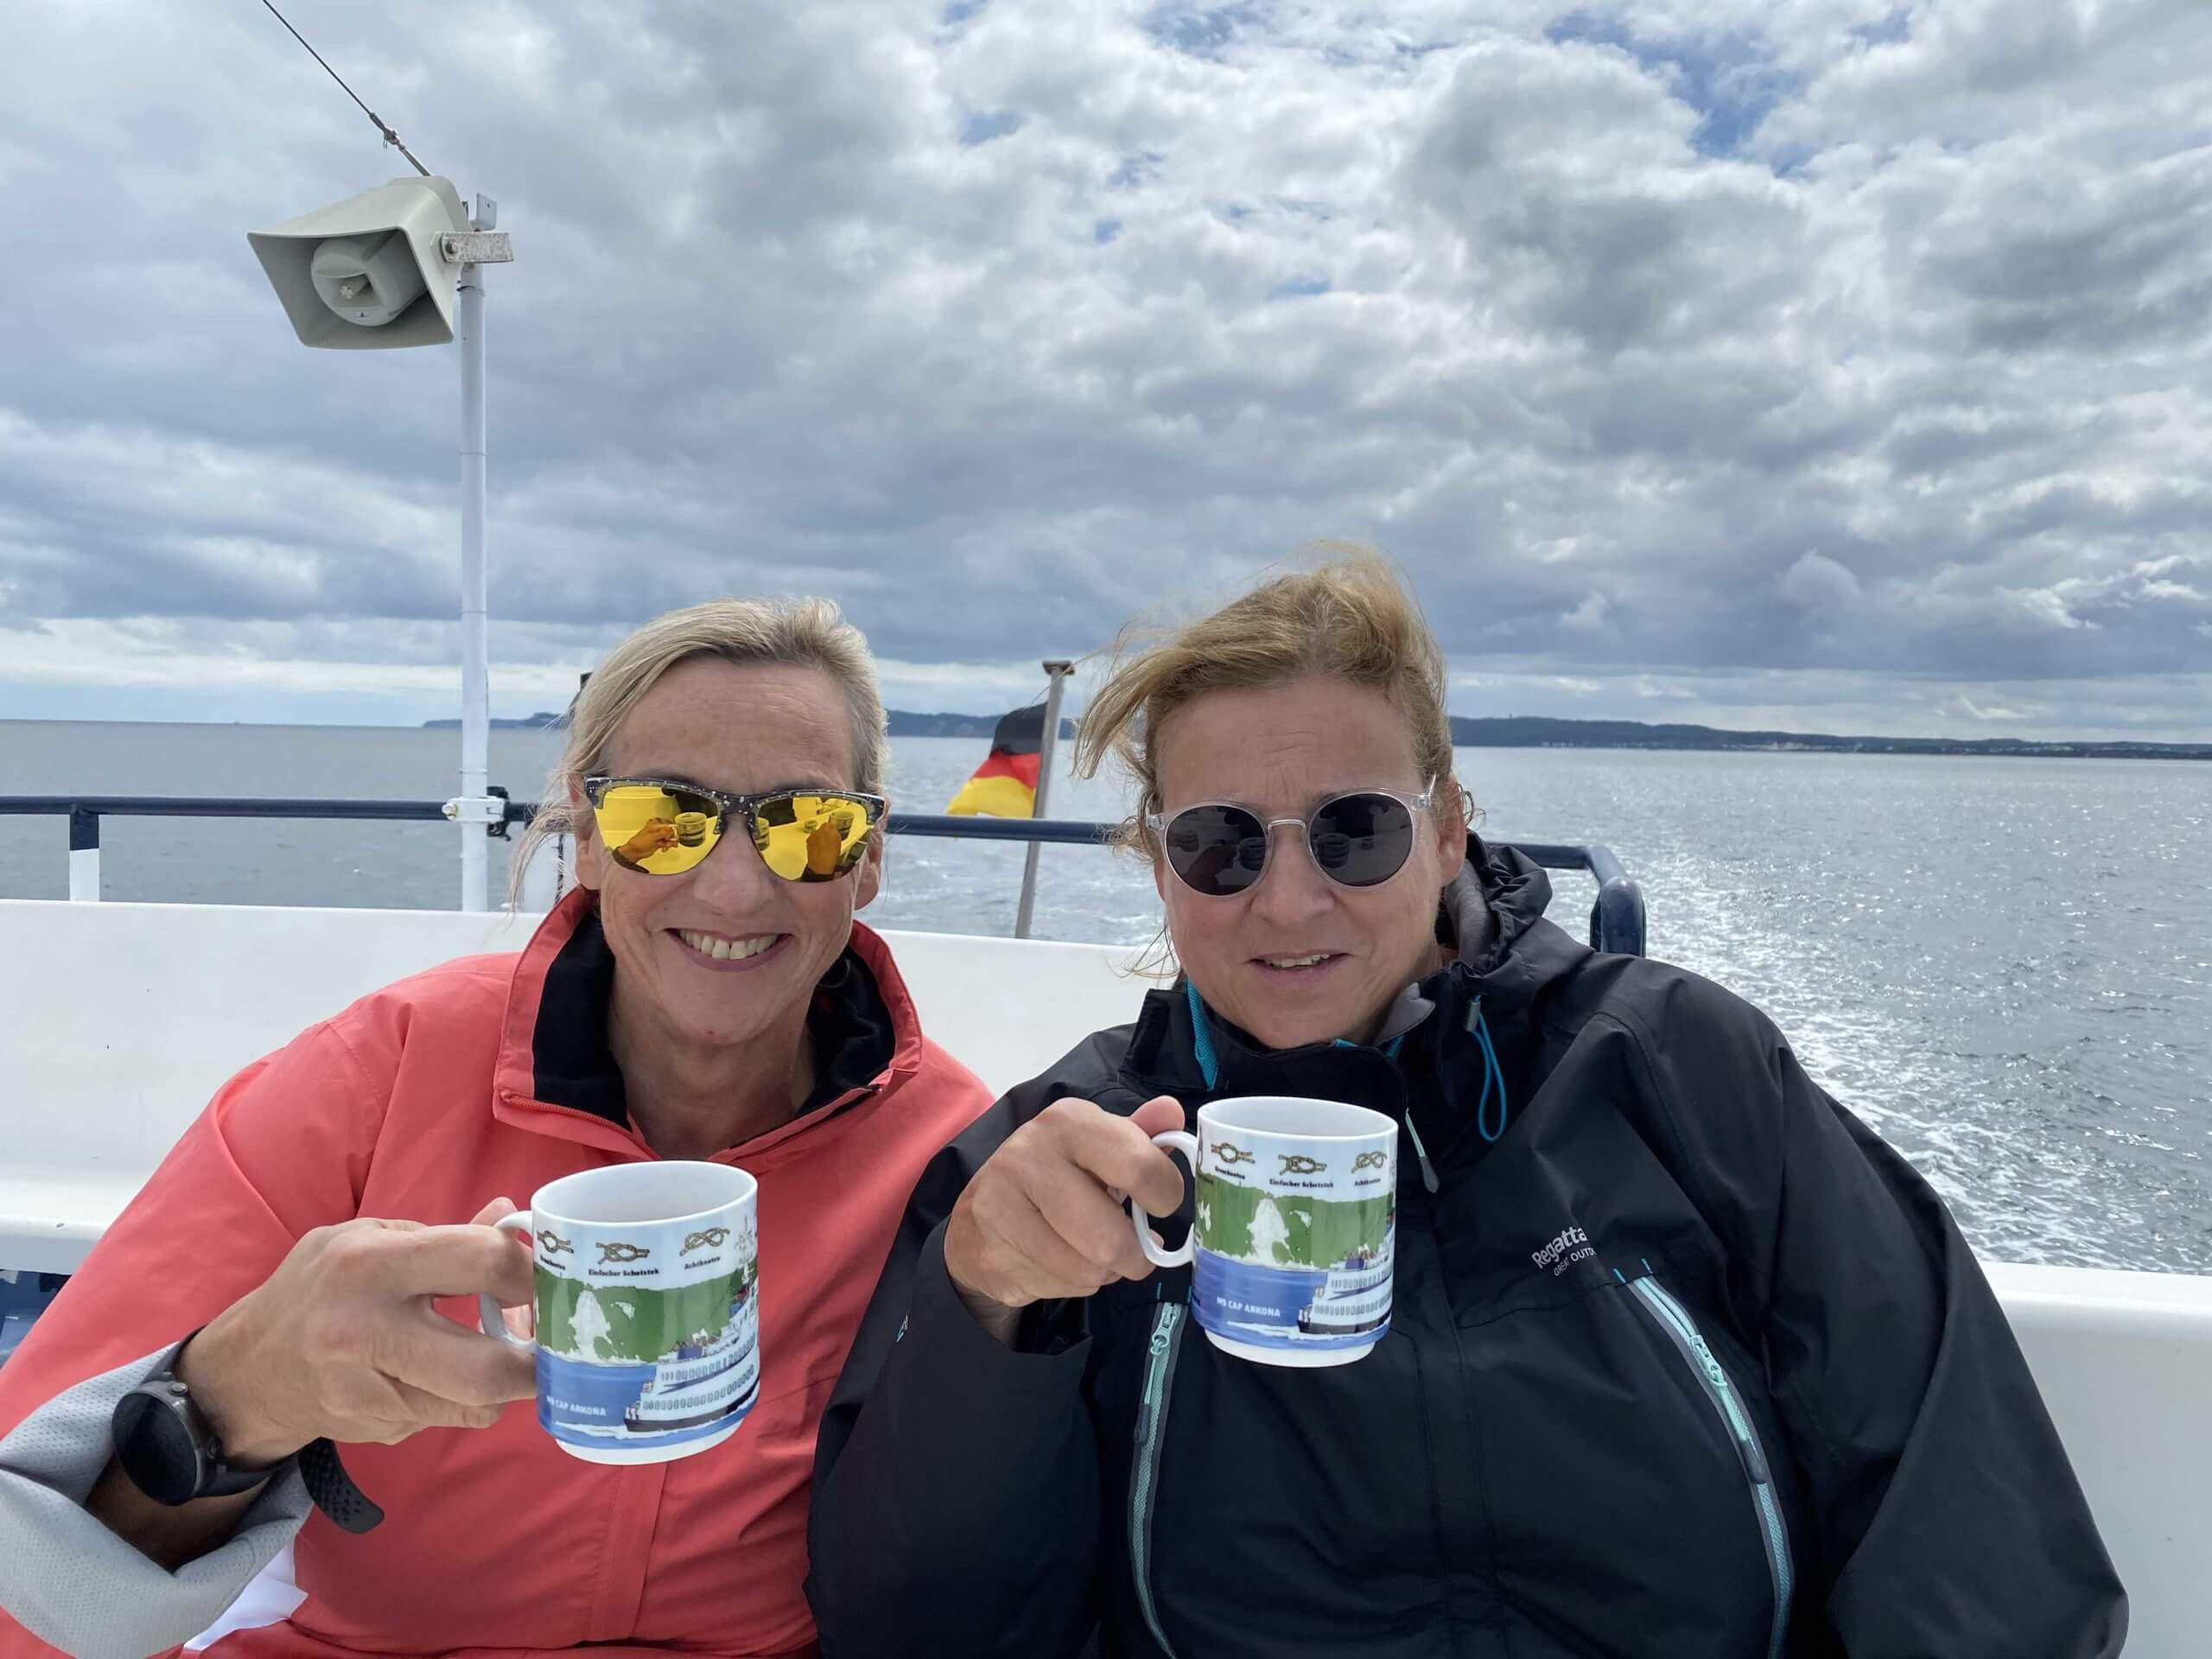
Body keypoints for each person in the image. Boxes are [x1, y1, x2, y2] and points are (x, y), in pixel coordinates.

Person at [808, 551, 2126, 1657]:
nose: (1287, 901)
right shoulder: (1070, 1161)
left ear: (1448, 831)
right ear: (1160, 865)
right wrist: (987, 1312)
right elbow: (916, 1627)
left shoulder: (1677, 1072)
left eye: (1356, 830)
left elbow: (1969, 1538)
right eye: (1219, 844)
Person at [0, 596, 994, 1659]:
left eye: (808, 825)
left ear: (868, 856)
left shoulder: (951, 1154)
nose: (735, 885)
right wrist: (235, 1397)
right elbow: (31, 1569)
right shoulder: (378, 1077)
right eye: (663, 819)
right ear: (588, 838)